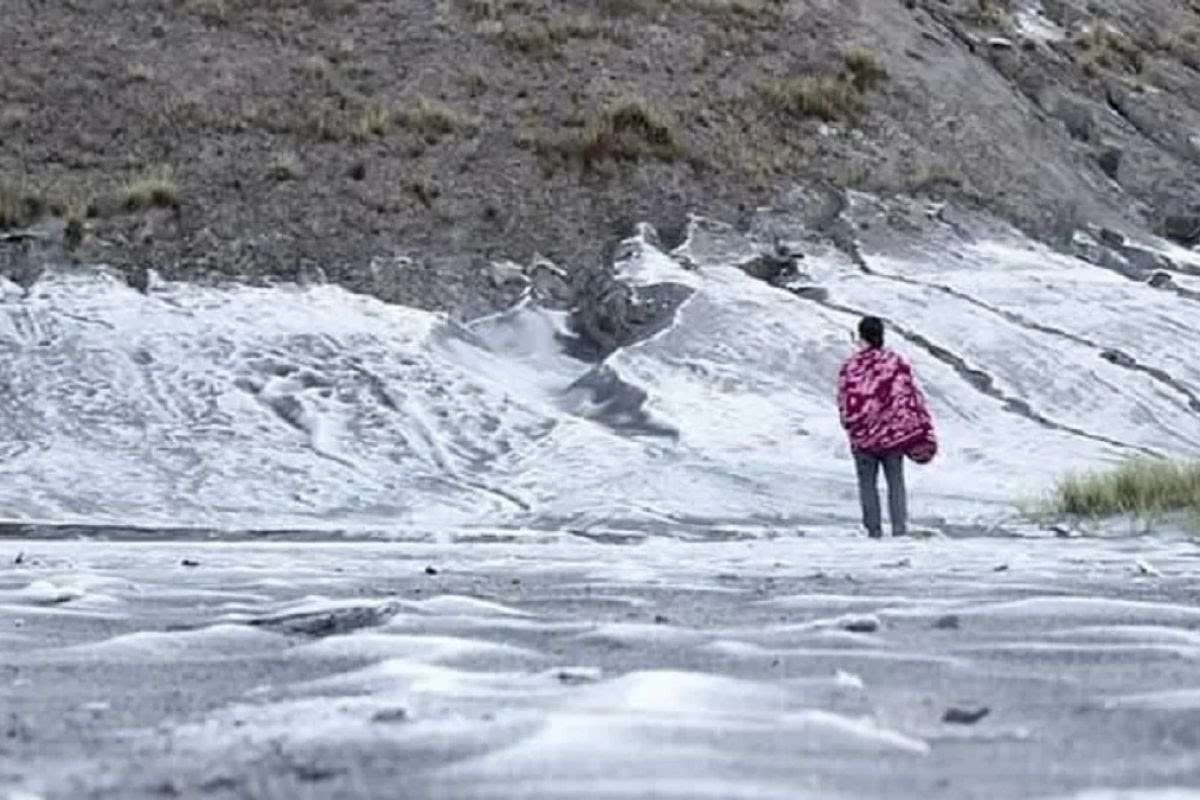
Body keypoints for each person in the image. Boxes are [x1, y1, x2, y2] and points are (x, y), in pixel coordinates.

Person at [836, 316, 937, 538]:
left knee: (867, 485)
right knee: (896, 482)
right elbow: (910, 396)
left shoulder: (851, 367)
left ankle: (873, 531)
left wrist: (852, 426)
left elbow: (845, 400)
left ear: (861, 336)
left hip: (862, 438)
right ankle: (899, 529)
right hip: (894, 437)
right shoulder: (895, 363)